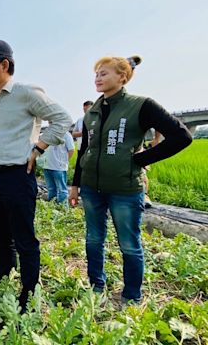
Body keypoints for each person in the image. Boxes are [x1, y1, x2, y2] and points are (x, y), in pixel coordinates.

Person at [69, 55, 192, 304]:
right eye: (96, 74)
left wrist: (140, 160)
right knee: (94, 239)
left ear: (122, 77)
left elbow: (182, 137)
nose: (98, 78)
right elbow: (85, 150)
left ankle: (132, 296)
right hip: (92, 188)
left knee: (129, 244)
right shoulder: (92, 111)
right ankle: (96, 287)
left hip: (125, 190)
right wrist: (75, 184)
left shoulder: (141, 105)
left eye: (104, 73)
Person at [0, 39, 72, 311]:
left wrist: (39, 147)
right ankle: (4, 277)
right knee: (1, 235)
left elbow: (62, 118)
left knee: (24, 238)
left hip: (18, 175)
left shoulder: (26, 93)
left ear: (4, 64)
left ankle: (29, 292)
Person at [41, 131, 75, 204]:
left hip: (59, 168)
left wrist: (64, 162)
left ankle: (63, 210)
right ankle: (52, 208)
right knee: (51, 189)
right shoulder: (48, 132)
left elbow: (71, 150)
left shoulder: (66, 134)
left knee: (62, 190)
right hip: (47, 166)